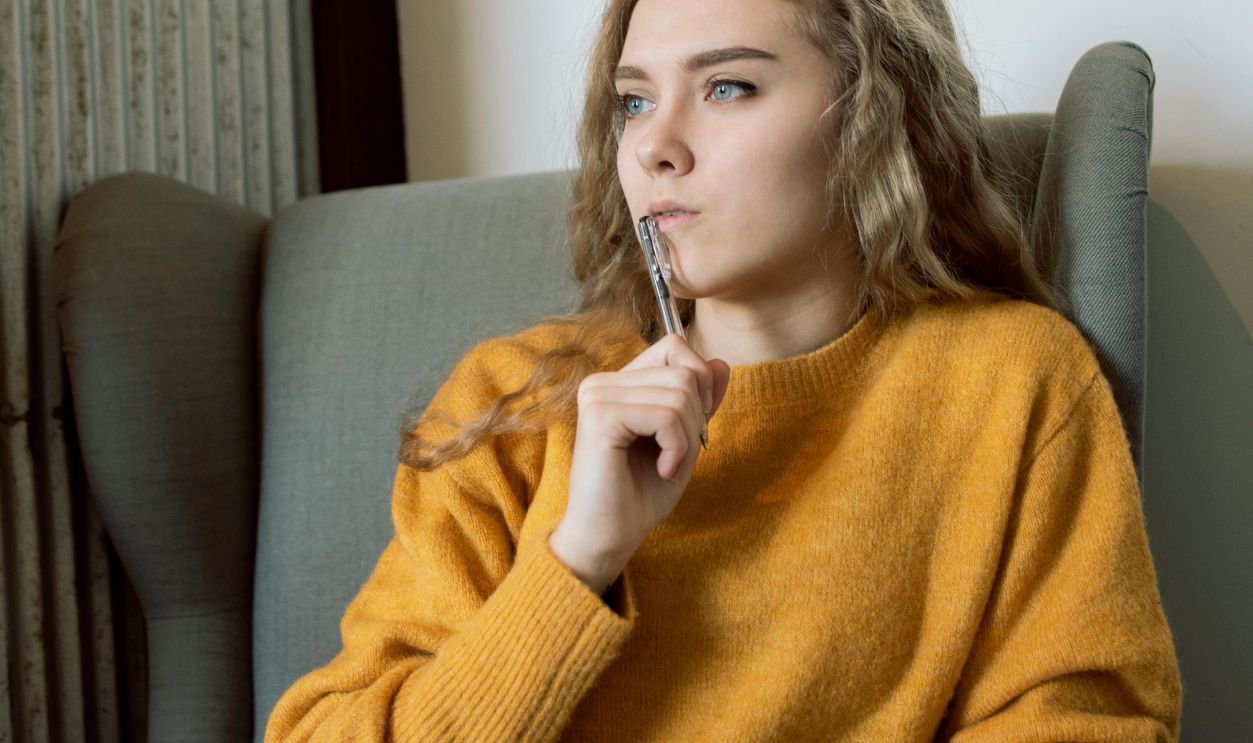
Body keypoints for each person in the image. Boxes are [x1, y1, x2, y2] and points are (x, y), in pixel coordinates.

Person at [265, 0, 1182, 739]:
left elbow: (1085, 720)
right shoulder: (511, 401)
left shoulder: (1012, 380)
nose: (653, 145)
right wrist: (577, 559)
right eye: (633, 101)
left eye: (727, 87)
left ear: (872, 117)